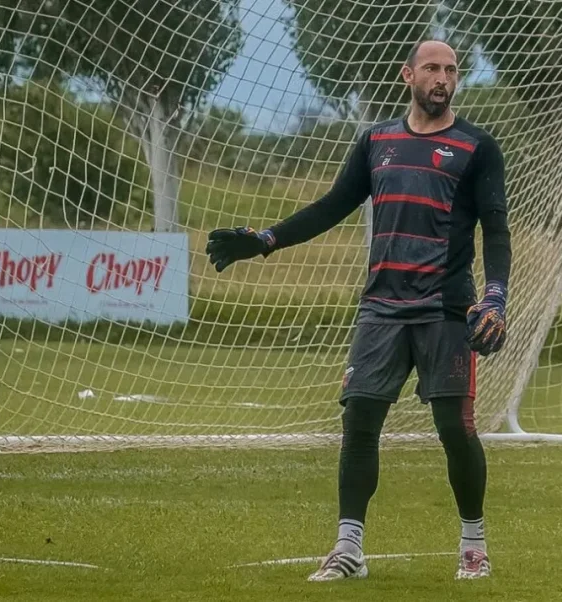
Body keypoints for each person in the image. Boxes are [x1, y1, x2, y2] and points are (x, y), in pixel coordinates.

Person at [205, 39, 511, 582]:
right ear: (408, 75)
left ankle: (473, 545)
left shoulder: (478, 146)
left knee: (455, 428)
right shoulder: (377, 141)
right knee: (359, 422)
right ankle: (348, 549)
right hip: (380, 309)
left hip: (446, 309)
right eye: (432, 68)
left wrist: (495, 296)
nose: (442, 78)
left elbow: (496, 229)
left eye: (451, 70)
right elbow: (332, 205)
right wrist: (268, 239)